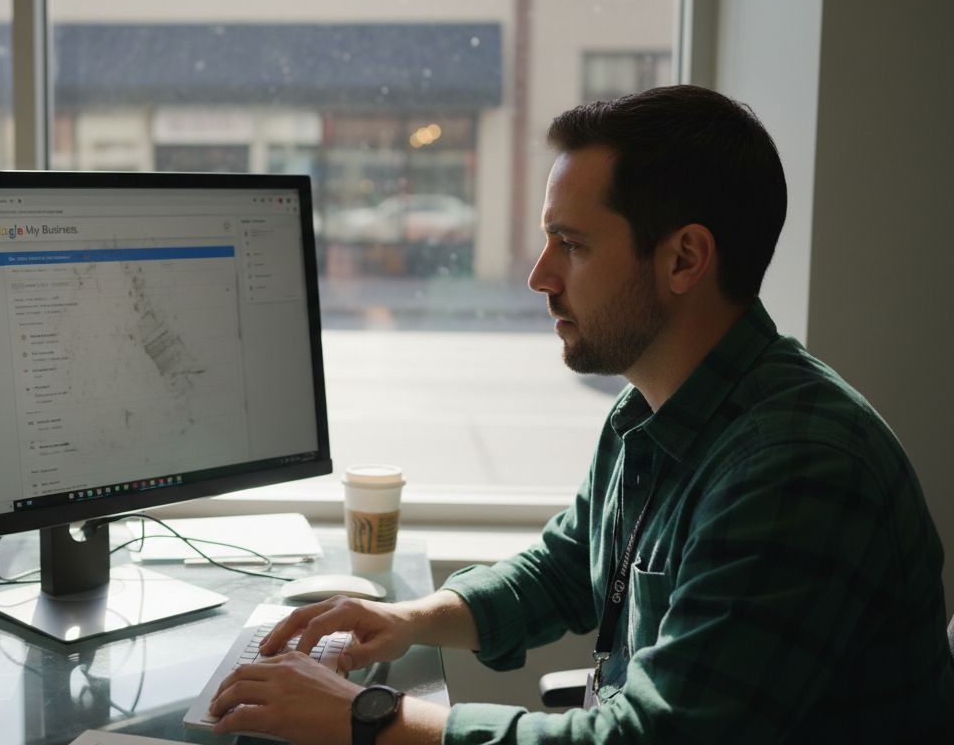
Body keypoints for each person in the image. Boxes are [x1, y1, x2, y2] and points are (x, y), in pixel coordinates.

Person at [208, 85, 954, 743]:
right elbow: (569, 566)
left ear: (685, 259)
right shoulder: (653, 410)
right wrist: (411, 620)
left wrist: (365, 717)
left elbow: (657, 739)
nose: (539, 276)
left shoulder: (802, 465)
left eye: (571, 244)